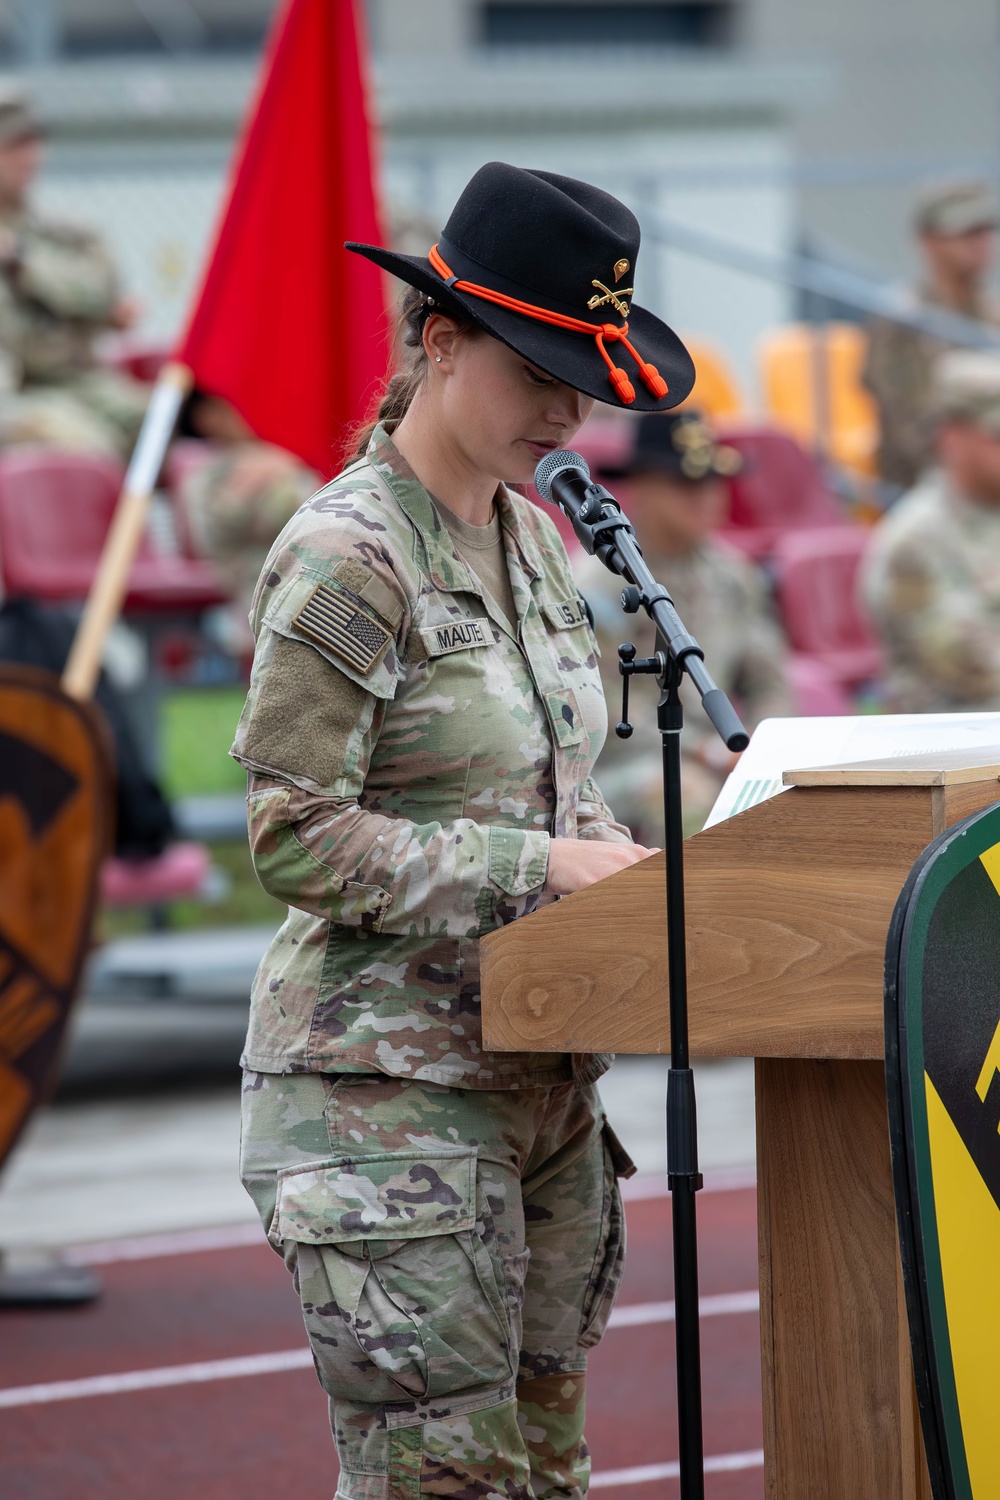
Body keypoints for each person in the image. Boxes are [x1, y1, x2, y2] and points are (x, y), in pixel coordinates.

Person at [233, 160, 696, 1497]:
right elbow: (293, 836)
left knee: (546, 1480)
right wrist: (539, 866)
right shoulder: (347, 557)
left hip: (540, 1088)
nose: (568, 411)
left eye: (583, 381)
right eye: (541, 371)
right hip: (387, 1111)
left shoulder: (540, 540)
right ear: (440, 342)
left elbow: (561, 783)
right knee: (448, 1487)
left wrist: (620, 867)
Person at [577, 410, 792, 838]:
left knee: (792, 795)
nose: (706, 496)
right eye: (685, 483)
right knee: (685, 797)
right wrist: (708, 752)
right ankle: (700, 908)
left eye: (712, 481)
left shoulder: (734, 575)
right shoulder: (596, 583)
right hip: (619, 765)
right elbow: (601, 709)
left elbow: (771, 681)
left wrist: (767, 749)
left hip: (718, 755)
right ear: (641, 485)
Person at [0, 85, 146, 458]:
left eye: (33, 143)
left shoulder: (56, 234)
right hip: (14, 393)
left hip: (67, 379)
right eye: (13, 145)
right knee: (85, 448)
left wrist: (23, 261)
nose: (29, 156)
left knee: (157, 422)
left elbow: (104, 292)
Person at [863, 349, 1000, 713]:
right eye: (997, 434)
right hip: (956, 752)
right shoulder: (914, 542)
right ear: (951, 437)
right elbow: (971, 666)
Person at [863, 179, 1000, 494]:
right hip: (927, 486)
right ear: (929, 242)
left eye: (985, 231)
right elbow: (914, 430)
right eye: (966, 233)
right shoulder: (900, 321)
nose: (980, 243)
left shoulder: (993, 314)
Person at [175, 388, 320, 657]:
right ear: (205, 417)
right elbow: (292, 514)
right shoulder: (208, 473)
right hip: (263, 596)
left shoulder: (278, 456)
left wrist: (290, 463)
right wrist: (292, 471)